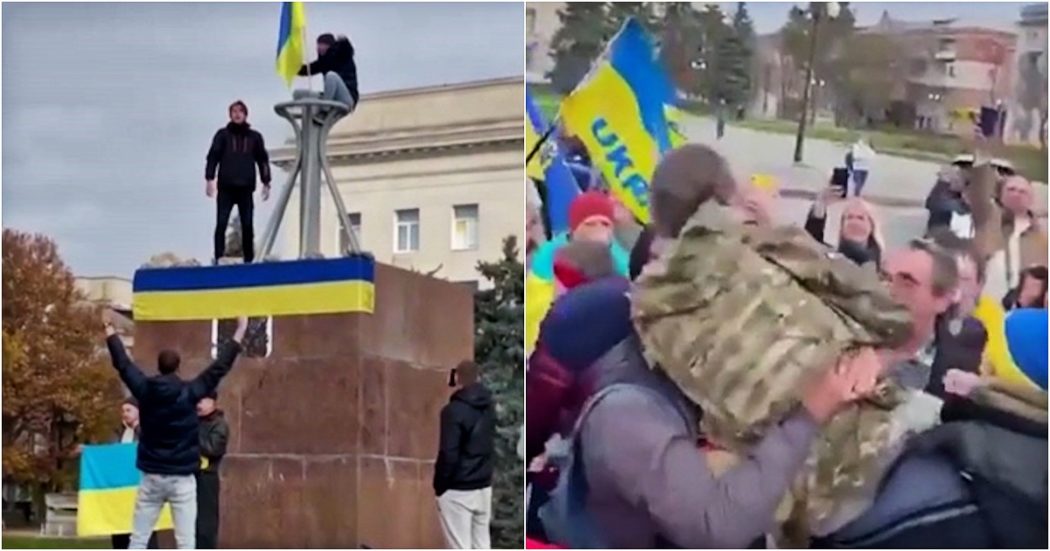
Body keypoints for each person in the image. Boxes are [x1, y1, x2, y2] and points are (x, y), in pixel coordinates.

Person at [104, 312, 248, 549]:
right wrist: (240, 331)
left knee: (138, 538)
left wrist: (109, 330)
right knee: (185, 541)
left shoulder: (144, 390)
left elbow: (123, 364)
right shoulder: (190, 393)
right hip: (182, 477)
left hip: (152, 475)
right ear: (178, 367)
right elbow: (220, 368)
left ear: (159, 367)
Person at [434, 360, 495, 549]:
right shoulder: (489, 408)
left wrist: (441, 485)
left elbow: (448, 453)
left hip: (458, 488)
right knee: (481, 545)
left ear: (457, 379)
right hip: (483, 486)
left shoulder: (452, 412)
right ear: (478, 377)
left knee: (459, 546)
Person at [205, 101, 271, 265]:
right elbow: (213, 156)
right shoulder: (222, 135)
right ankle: (219, 256)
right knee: (221, 223)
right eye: (234, 111)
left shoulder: (254, 137)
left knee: (247, 225)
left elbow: (262, 159)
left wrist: (266, 182)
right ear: (230, 114)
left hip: (245, 187)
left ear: (245, 114)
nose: (237, 114)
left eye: (240, 111)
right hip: (226, 187)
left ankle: (249, 259)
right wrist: (209, 179)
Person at [108, 398, 160, 550]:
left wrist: (137, 428)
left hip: (142, 488)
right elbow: (109, 455)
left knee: (144, 532)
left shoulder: (148, 430)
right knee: (121, 534)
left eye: (129, 410)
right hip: (121, 492)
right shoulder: (118, 433)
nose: (125, 414)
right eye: (123, 411)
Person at [805, 183, 885, 266]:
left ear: (872, 226)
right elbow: (810, 244)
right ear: (842, 227)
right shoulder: (830, 257)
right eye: (849, 217)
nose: (854, 222)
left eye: (860, 218)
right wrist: (820, 206)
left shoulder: (879, 264)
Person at [195, 391, 228, 549]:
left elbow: (213, 449)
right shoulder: (194, 421)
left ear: (213, 402)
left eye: (202, 401)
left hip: (206, 478)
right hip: (189, 476)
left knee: (205, 526)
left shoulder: (219, 425)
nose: (198, 405)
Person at [296, 33, 359, 113]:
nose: (318, 48)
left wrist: (343, 42)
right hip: (332, 99)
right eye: (318, 45)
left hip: (347, 98)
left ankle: (324, 109)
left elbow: (345, 51)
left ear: (329, 46)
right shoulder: (324, 62)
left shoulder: (342, 56)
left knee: (331, 76)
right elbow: (308, 69)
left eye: (322, 45)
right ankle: (312, 116)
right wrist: (292, 67)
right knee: (298, 94)